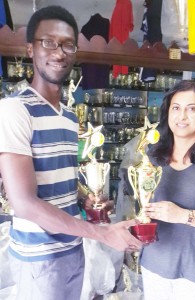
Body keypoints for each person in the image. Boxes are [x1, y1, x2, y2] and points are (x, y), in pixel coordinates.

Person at [0, 6, 142, 300]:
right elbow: (24, 203)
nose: (59, 51)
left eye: (67, 44)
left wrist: (85, 197)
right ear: (30, 49)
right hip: (39, 258)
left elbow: (61, 177)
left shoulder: (68, 116)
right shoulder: (14, 110)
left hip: (73, 250)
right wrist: (104, 234)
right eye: (48, 42)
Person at [140, 80, 195, 300]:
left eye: (192, 109)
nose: (182, 116)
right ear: (167, 113)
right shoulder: (150, 155)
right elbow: (137, 205)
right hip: (154, 264)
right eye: (176, 108)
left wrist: (182, 216)